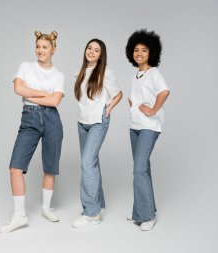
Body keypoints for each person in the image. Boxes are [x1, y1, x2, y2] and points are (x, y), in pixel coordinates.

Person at [0, 31, 64, 233]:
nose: (40, 50)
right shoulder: (25, 66)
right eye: (37, 46)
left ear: (53, 49)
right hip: (30, 118)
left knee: (50, 166)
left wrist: (33, 92)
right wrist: (45, 93)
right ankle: (20, 216)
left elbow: (55, 101)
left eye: (44, 47)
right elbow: (18, 89)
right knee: (15, 167)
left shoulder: (59, 75)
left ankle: (46, 208)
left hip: (53, 120)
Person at [72, 39, 123, 228]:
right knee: (91, 162)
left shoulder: (106, 73)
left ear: (101, 55)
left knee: (87, 163)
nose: (91, 52)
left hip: (98, 122)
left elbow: (118, 94)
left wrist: (108, 108)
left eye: (96, 50)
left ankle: (91, 213)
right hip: (82, 122)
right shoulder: (79, 72)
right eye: (89, 48)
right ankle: (98, 203)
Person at [125, 29, 170, 231]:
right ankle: (143, 210)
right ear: (131, 53)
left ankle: (147, 216)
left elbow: (164, 91)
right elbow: (136, 97)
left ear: (151, 53)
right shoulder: (136, 75)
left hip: (148, 127)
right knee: (143, 168)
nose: (140, 53)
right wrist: (133, 104)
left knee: (139, 168)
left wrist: (153, 110)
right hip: (135, 126)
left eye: (144, 50)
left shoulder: (154, 73)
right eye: (136, 50)